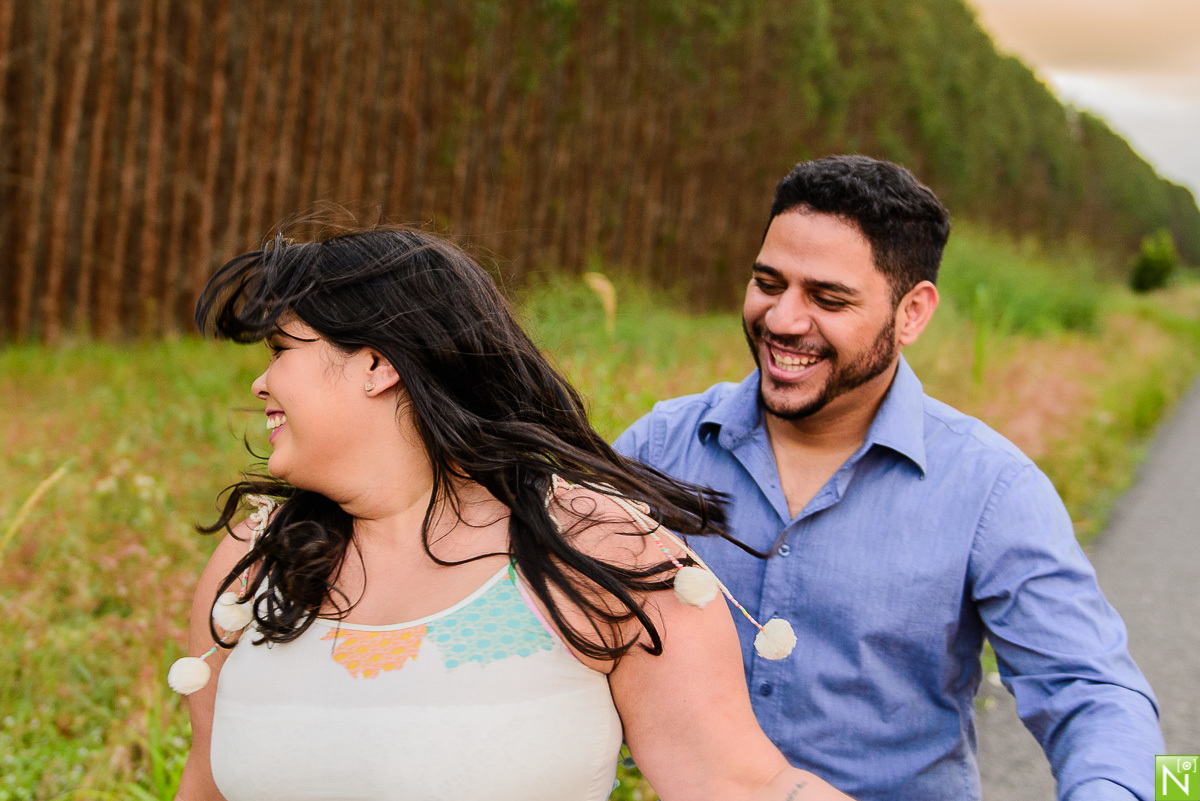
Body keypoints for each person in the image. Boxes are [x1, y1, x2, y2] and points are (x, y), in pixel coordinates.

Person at [170, 226, 855, 801]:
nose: (262, 382)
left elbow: (740, 783)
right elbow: (205, 782)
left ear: (376, 364)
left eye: (283, 351)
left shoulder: (594, 550)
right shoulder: (254, 562)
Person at [614, 156, 1165, 801]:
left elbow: (1096, 692)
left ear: (912, 314)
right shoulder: (660, 448)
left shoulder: (991, 490)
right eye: (769, 283)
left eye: (828, 298)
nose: (783, 320)